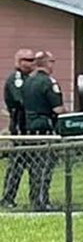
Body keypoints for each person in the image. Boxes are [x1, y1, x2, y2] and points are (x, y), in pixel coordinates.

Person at [22, 51, 66, 211]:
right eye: (52, 61)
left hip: (30, 129)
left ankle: (34, 199)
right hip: (46, 128)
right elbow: (58, 109)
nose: (53, 64)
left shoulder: (28, 82)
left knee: (34, 168)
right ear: (47, 63)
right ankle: (42, 201)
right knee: (45, 167)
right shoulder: (48, 82)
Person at [1, 49, 35, 208]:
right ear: (20, 61)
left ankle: (36, 198)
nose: (32, 63)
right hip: (21, 126)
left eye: (33, 59)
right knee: (17, 163)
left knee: (35, 163)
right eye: (28, 60)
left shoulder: (30, 78)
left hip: (31, 126)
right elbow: (20, 100)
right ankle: (8, 197)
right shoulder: (17, 78)